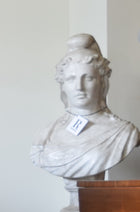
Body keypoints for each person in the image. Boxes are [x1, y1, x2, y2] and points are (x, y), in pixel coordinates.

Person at [30, 34, 139, 180]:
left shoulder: (123, 132)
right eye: (71, 79)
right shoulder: (46, 134)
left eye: (88, 78)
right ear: (62, 85)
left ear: (102, 82)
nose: (79, 87)